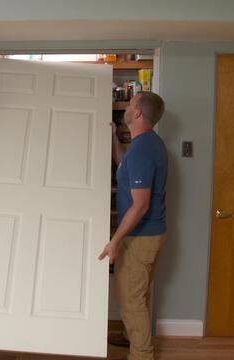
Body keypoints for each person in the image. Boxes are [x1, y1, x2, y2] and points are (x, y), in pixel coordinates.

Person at [99, 92, 168, 360]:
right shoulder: (146, 144)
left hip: (141, 236)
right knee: (137, 293)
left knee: (131, 301)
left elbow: (140, 205)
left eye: (130, 104)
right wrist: (114, 138)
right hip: (150, 234)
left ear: (138, 113)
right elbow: (123, 165)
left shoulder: (143, 149)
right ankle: (130, 337)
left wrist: (114, 241)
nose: (126, 107)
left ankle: (142, 355)